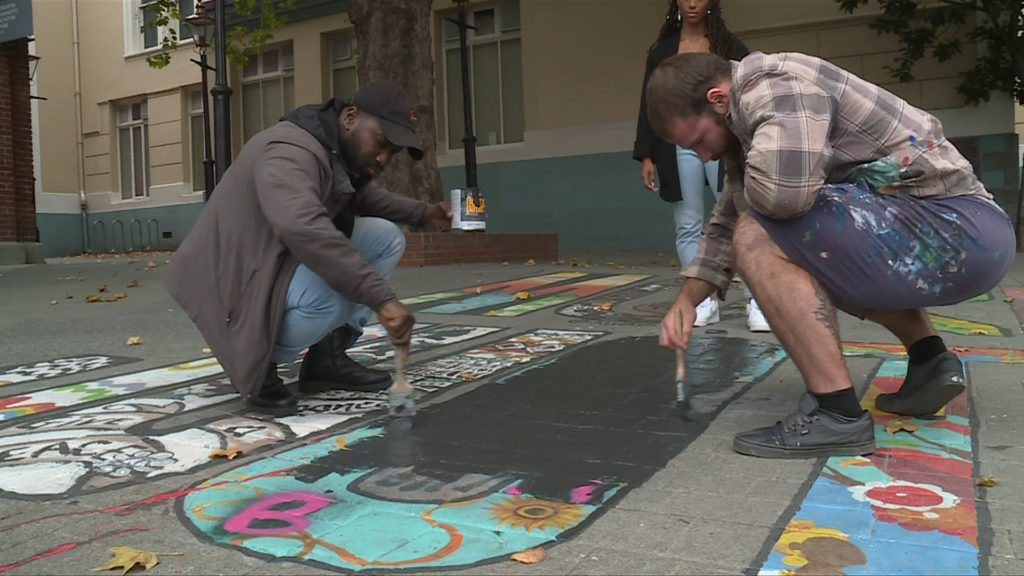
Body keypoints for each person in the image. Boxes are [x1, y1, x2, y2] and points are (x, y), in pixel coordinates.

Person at [646, 51, 1016, 458]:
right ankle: (930, 361)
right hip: (960, 235)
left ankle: (836, 413)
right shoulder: (748, 120)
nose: (703, 157)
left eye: (698, 141)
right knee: (810, 242)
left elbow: (781, 199)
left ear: (718, 99)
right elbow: (728, 217)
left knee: (759, 235)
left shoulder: (772, 87)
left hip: (957, 230)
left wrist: (741, 202)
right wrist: (686, 301)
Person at [164, 80, 452, 415]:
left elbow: (362, 195)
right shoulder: (290, 150)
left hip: (272, 258)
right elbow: (303, 228)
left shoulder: (330, 148)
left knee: (386, 238)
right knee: (330, 294)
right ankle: (255, 362)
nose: (384, 158)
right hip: (232, 281)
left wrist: (425, 212)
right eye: (381, 143)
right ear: (350, 118)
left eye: (393, 153)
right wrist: (382, 299)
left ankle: (326, 361)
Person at [633, 0, 769, 332]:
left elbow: (745, 92)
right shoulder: (662, 50)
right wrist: (647, 155)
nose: (692, 2)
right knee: (688, 224)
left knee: (742, 218)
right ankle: (703, 303)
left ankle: (759, 302)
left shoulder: (729, 46)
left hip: (721, 140)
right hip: (677, 147)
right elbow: (649, 105)